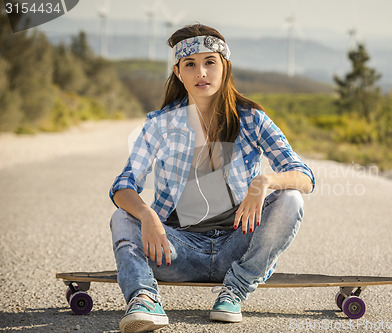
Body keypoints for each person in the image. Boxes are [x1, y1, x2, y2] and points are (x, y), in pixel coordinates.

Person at [109, 23, 315, 333]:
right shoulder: (160, 124)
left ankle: (235, 291)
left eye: (210, 62)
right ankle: (144, 299)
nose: (201, 72)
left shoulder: (252, 119)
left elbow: (304, 177)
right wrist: (147, 214)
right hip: (176, 250)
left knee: (291, 199)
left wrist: (265, 182)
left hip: (239, 247)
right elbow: (123, 184)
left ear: (224, 67)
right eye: (190, 64)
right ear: (178, 72)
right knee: (123, 217)